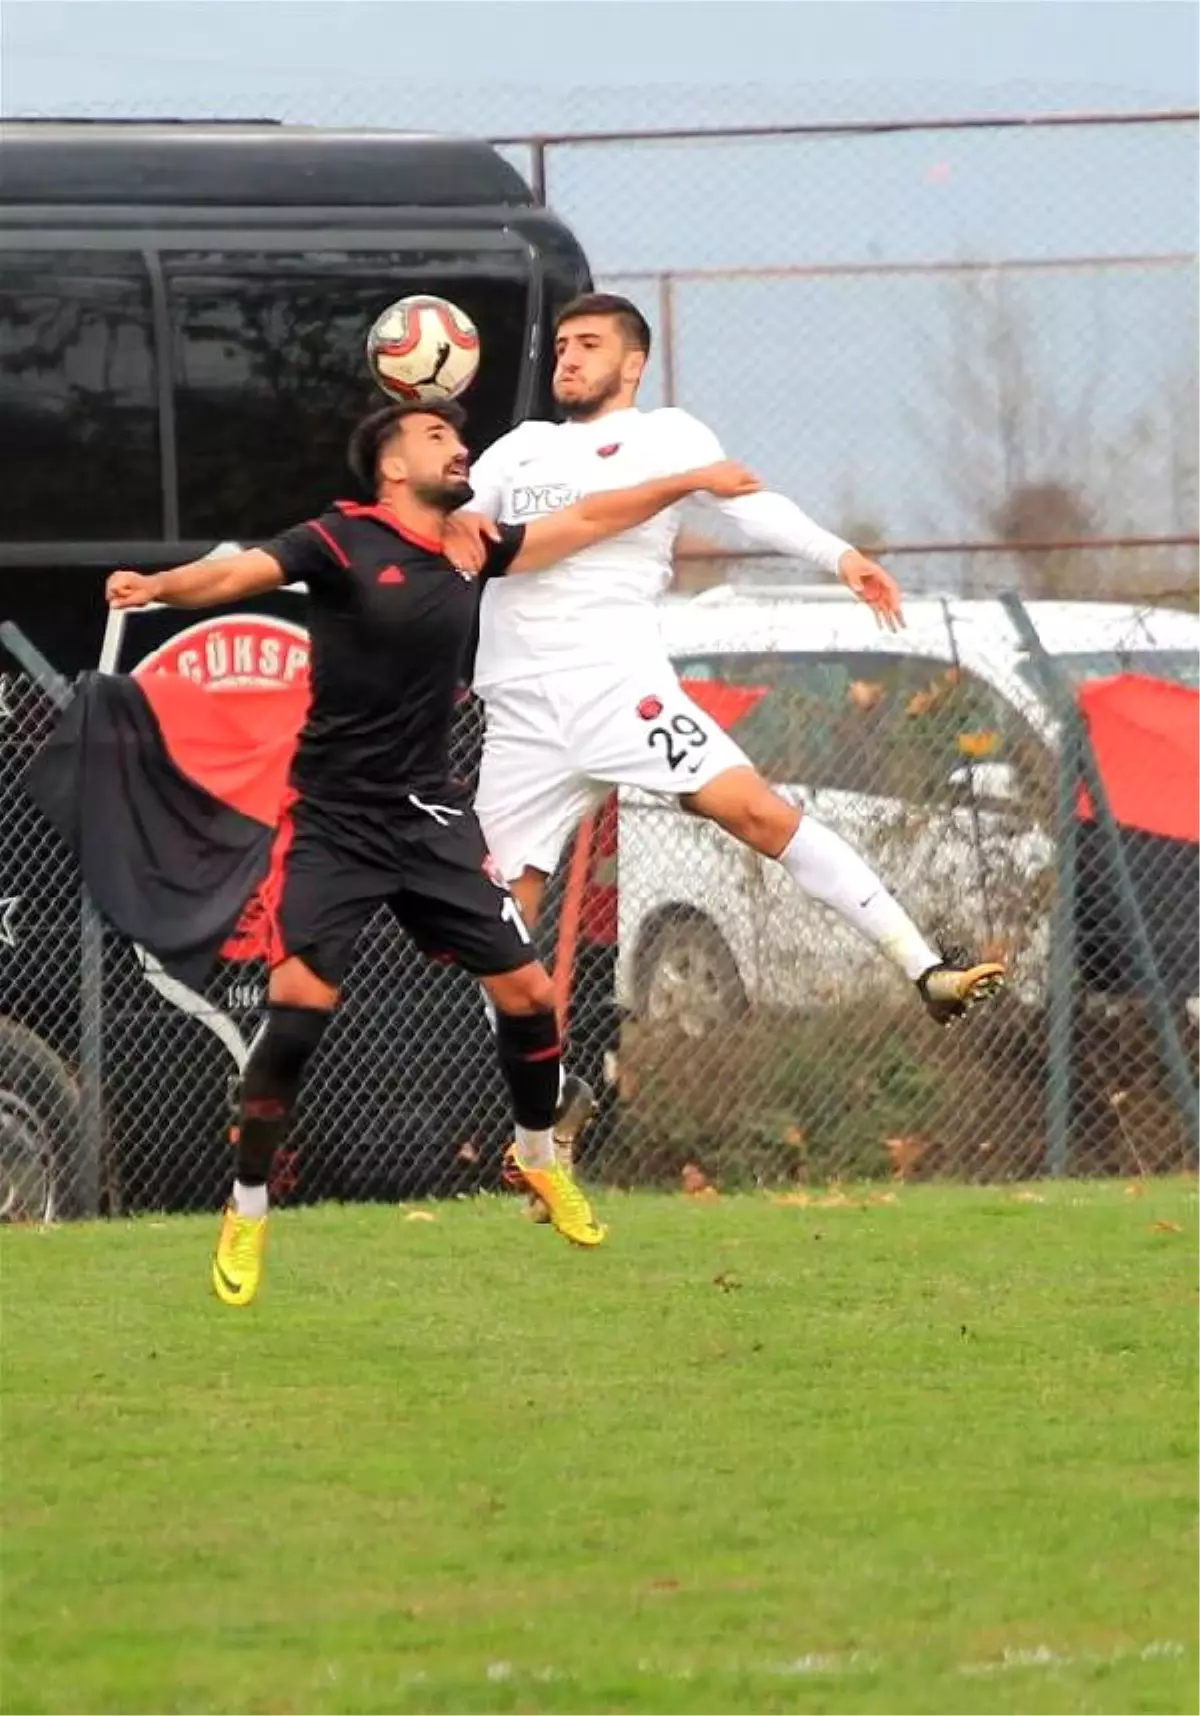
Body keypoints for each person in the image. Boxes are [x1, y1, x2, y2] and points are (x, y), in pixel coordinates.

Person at [106, 399, 763, 1299]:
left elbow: (588, 519)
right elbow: (237, 577)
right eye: (436, 437)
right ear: (389, 465)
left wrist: (687, 479)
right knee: (297, 1010)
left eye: (459, 438)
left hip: (429, 818)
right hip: (335, 819)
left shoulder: (472, 543)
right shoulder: (337, 541)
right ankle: (248, 1210)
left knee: (529, 991)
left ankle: (537, 1158)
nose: (459, 449)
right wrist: (159, 586)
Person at [452, 294, 1007, 1206]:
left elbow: (749, 503)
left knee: (757, 811)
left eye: (589, 344)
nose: (569, 357)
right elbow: (454, 530)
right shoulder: (517, 452)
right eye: (562, 345)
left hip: (619, 690)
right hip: (520, 716)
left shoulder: (665, 435)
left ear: (633, 364)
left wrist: (839, 558)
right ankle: (548, 1112)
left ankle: (926, 969)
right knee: (494, 925)